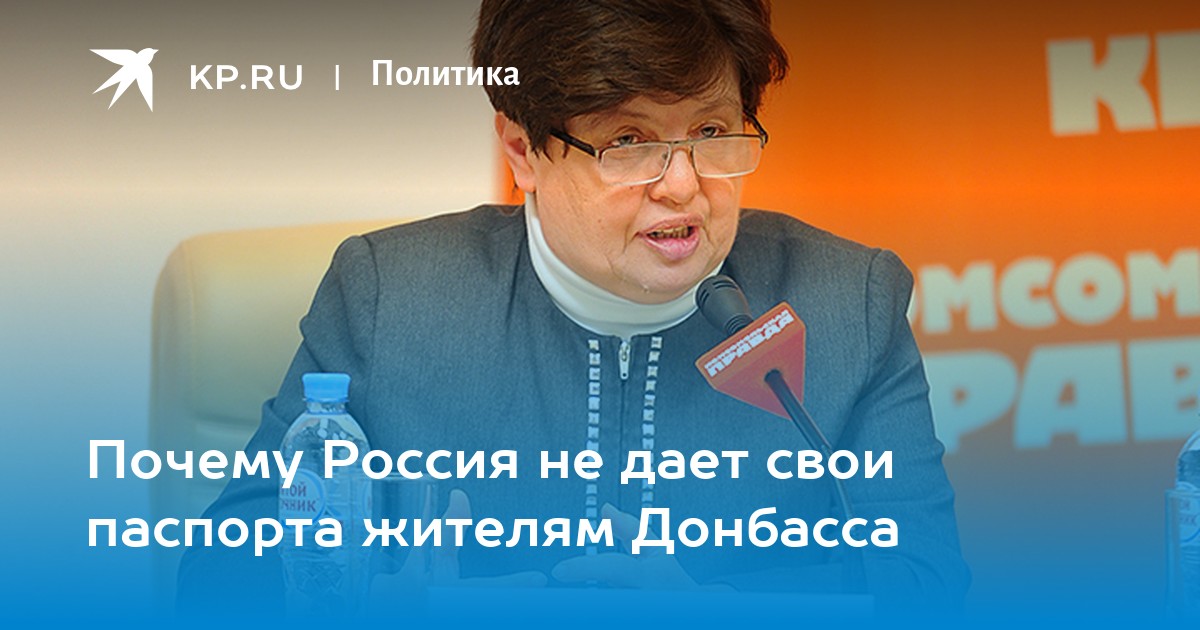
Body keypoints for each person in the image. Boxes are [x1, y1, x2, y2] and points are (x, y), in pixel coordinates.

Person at [179, 0, 970, 617]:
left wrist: (718, 612)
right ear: (522, 151)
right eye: (628, 142)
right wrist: (369, 602)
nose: (683, 185)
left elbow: (925, 586)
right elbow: (220, 578)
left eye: (711, 131)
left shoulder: (848, 302)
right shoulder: (392, 295)